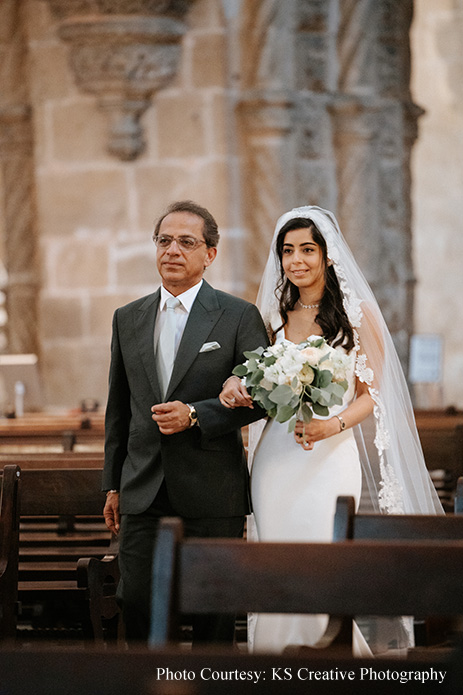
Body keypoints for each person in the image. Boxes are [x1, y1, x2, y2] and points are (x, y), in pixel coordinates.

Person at [220, 205, 443, 654]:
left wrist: (330, 426)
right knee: (278, 561)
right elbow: (248, 375)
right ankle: (273, 661)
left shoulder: (357, 316)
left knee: (322, 557)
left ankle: (331, 661)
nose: (296, 260)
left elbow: (370, 396)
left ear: (327, 255)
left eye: (307, 249)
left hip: (329, 454)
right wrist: (233, 385)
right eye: (287, 251)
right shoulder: (272, 317)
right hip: (275, 458)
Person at [102, 200, 268, 645]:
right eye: (164, 241)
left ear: (210, 253)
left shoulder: (238, 316)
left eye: (186, 242)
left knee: (213, 613)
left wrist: (196, 414)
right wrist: (113, 485)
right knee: (135, 601)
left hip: (212, 486)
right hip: (144, 485)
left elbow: (262, 400)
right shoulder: (128, 318)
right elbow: (119, 407)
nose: (172, 250)